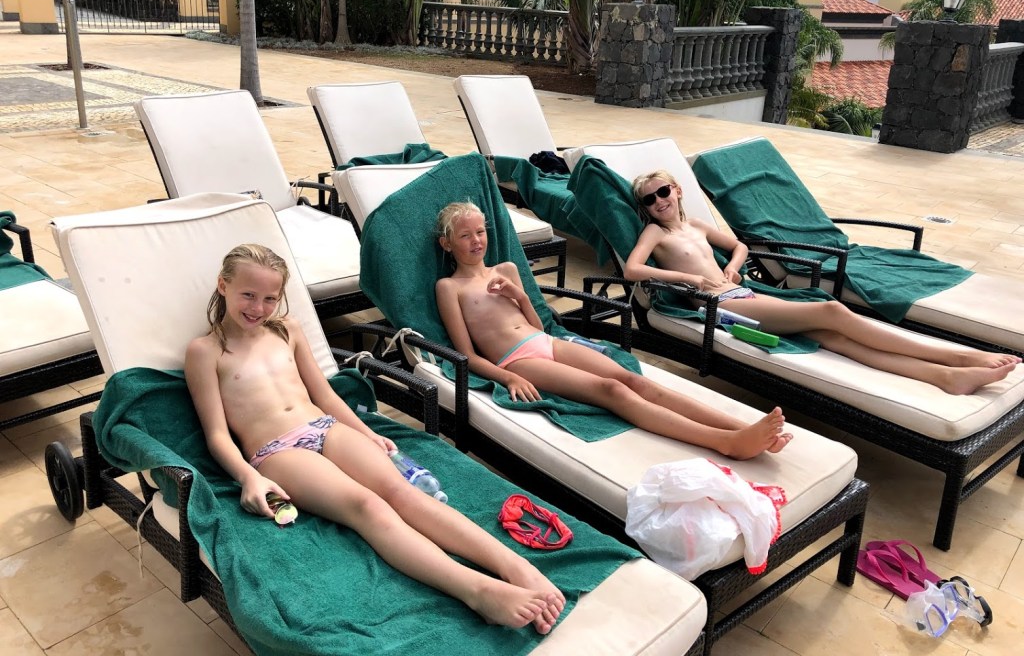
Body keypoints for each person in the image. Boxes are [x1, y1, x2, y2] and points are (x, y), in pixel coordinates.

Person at [185, 244, 564, 634]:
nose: (258, 308)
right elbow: (217, 434)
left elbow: (326, 395)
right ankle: (477, 591)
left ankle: (515, 566)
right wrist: (249, 477)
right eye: (248, 295)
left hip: (325, 427)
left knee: (402, 493)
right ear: (223, 285)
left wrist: (367, 433)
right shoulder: (205, 351)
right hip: (278, 451)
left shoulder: (287, 330)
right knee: (367, 506)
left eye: (270, 298)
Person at [434, 203, 792, 459]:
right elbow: (467, 353)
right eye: (465, 235)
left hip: (546, 341)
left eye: (480, 231)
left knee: (633, 380)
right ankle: (723, 442)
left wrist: (521, 296)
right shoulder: (450, 287)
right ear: (447, 244)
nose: (476, 240)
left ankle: (741, 428)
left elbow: (538, 326)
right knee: (612, 390)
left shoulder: (508, 270)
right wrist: (508, 377)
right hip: (517, 360)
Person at [625, 170, 1021, 396]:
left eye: (663, 192)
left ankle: (945, 377)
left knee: (837, 339)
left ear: (677, 190)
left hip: (738, 291)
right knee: (832, 310)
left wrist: (734, 267)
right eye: (648, 199)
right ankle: (955, 357)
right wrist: (690, 278)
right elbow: (632, 270)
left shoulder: (696, 224)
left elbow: (739, 245)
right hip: (719, 307)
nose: (659, 201)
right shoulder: (656, 233)